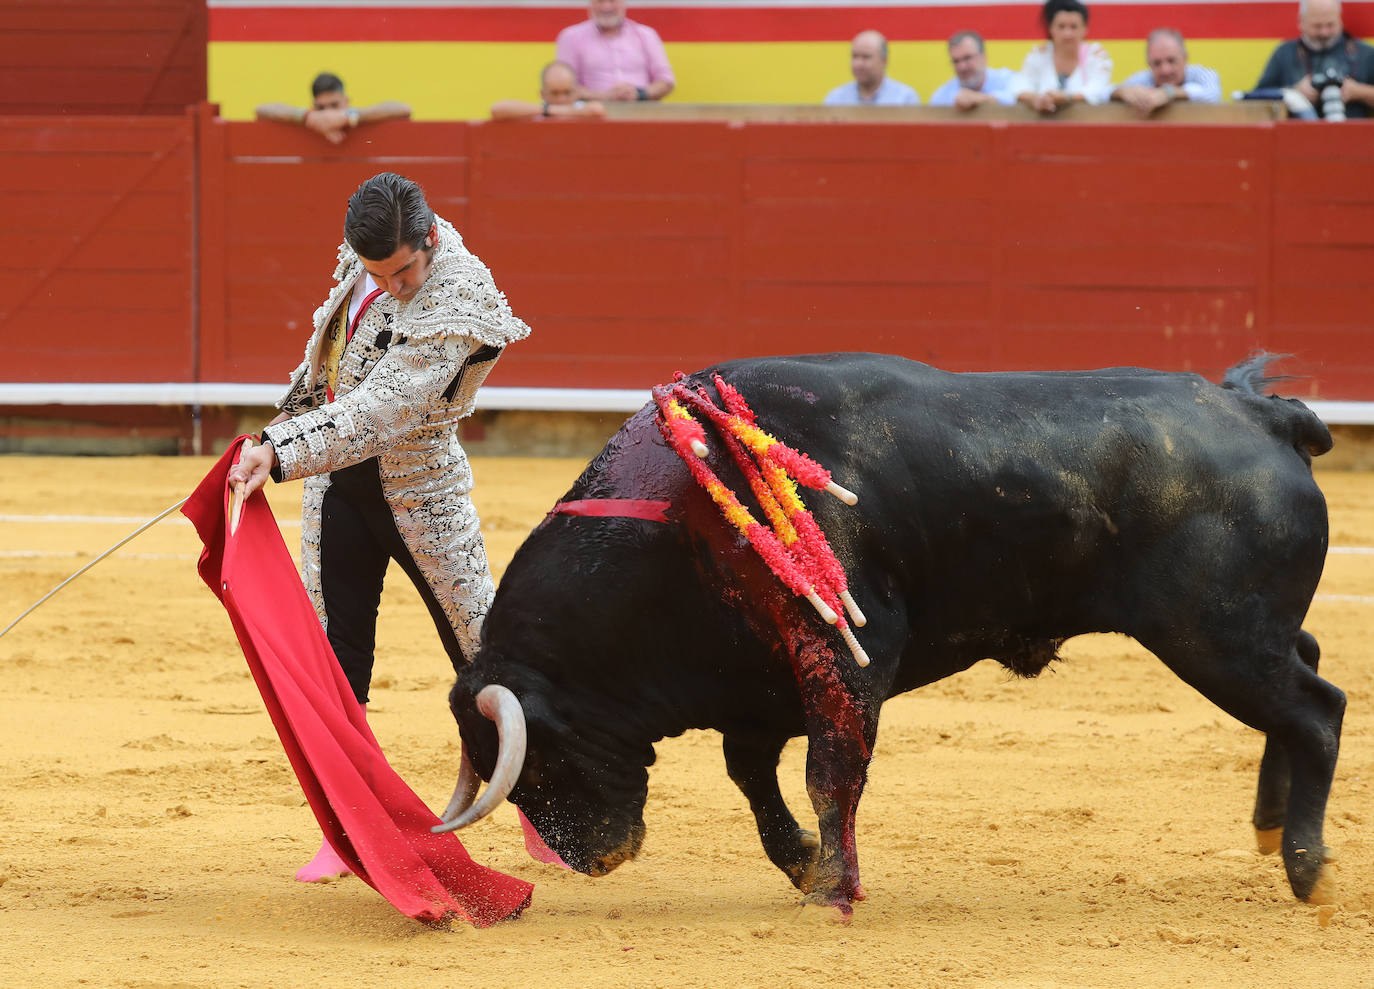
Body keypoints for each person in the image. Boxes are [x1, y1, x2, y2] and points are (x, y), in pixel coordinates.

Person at [227, 172, 531, 881]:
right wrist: (274, 431)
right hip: (337, 488)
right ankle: (349, 828)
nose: (392, 285)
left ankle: (538, 805)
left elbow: (383, 410)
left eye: (402, 272)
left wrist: (282, 451)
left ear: (429, 238)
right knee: (337, 665)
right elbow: (328, 370)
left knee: (481, 647)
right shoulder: (365, 261)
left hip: (421, 488)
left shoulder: (460, 292)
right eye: (377, 274)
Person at [1255, 0, 1374, 118]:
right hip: (1297, 134)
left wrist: (1359, 92)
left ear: (1340, 20)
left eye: (1330, 24)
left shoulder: (1364, 54)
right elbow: (1255, 100)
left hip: (1353, 135)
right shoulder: (1284, 53)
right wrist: (1293, 94)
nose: (1324, 32)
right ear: (1301, 22)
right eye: (1317, 26)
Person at [555, 0, 675, 102]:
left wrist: (639, 94)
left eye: (612, 0)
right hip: (591, 116)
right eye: (600, 1)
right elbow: (563, 87)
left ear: (623, 3)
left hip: (642, 114)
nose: (606, 7)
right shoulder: (570, 37)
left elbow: (666, 81)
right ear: (590, 4)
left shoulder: (646, 35)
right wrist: (605, 96)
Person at [1010, 0, 1113, 113]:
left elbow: (1098, 91)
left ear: (1085, 29)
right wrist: (1036, 99)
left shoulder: (1096, 55)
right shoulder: (1039, 54)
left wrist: (1066, 97)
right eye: (1061, 26)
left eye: (1074, 27)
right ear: (1050, 28)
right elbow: (1019, 87)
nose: (1067, 34)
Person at [254, 72, 411, 144]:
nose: (328, 113)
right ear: (313, 106)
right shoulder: (309, 119)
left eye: (334, 105)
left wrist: (349, 116)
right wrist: (308, 117)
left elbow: (403, 109)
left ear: (346, 101)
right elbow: (262, 109)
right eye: (321, 107)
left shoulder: (357, 117)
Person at [1112, 28, 1222, 116]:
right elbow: (1102, 93)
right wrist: (1122, 93)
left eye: (1171, 60)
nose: (1165, 70)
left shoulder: (1201, 74)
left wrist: (1169, 93)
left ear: (1185, 58)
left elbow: (1213, 94)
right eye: (1157, 63)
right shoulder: (1144, 79)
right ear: (1149, 64)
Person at [823, 30, 920, 106]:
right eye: (855, 56)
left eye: (866, 57)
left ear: (884, 61)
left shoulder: (904, 99)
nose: (858, 64)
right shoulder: (836, 99)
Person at [490, 60, 607, 120]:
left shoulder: (582, 108)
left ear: (577, 92)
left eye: (567, 92)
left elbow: (597, 110)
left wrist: (552, 110)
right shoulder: (537, 111)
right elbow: (497, 109)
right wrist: (547, 110)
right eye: (554, 93)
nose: (561, 99)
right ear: (542, 94)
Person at [928, 31, 1018, 109]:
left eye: (967, 58)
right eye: (956, 61)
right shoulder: (942, 96)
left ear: (983, 57)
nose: (962, 67)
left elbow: (1020, 98)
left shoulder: (1007, 80)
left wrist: (982, 99)